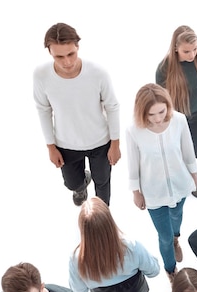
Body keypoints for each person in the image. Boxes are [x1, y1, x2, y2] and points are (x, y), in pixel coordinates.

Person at [34, 23, 120, 206]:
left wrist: (115, 143)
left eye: (70, 54)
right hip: (66, 144)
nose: (67, 62)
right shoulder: (41, 75)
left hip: (100, 142)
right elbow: (43, 109)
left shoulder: (98, 73)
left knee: (103, 183)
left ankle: (102, 218)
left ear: (77, 46)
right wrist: (51, 147)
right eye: (59, 56)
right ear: (49, 51)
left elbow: (112, 106)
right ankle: (81, 186)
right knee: (72, 183)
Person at [127, 83, 197, 283]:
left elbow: (187, 149)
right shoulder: (134, 131)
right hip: (153, 193)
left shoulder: (179, 120)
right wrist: (136, 191)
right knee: (164, 236)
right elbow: (133, 162)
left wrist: (194, 175)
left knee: (177, 217)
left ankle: (177, 238)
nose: (158, 118)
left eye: (162, 111)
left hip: (180, 184)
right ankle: (171, 270)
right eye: (152, 114)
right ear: (142, 112)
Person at [69, 197, 160, 292]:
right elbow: (154, 271)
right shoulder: (131, 245)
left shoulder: (77, 258)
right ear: (110, 222)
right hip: (133, 287)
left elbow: (79, 290)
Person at [156, 25, 197, 198]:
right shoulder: (163, 68)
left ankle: (185, 172)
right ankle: (193, 181)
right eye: (186, 51)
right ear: (176, 48)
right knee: (182, 152)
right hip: (178, 118)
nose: (192, 55)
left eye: (194, 49)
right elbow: (160, 102)